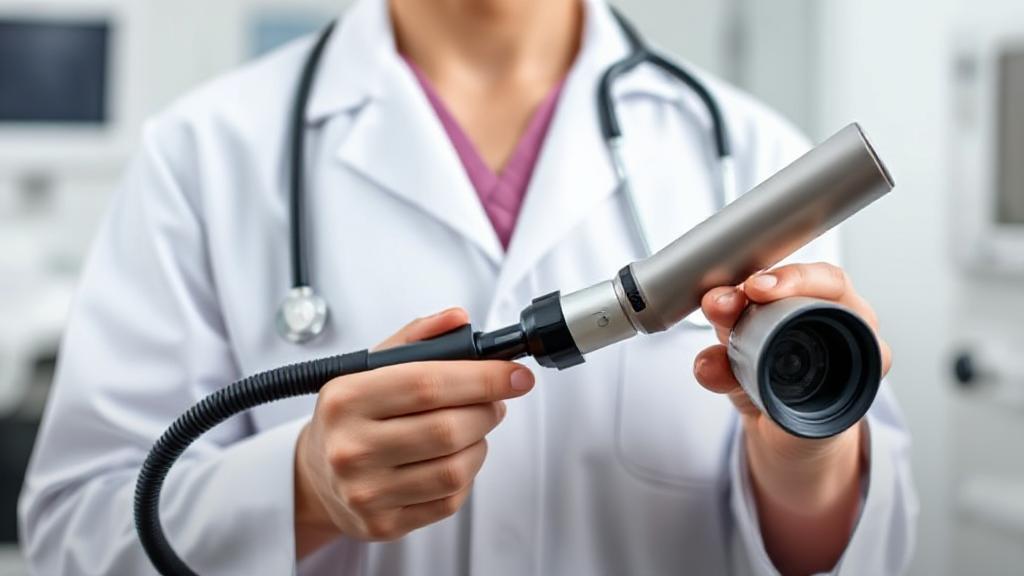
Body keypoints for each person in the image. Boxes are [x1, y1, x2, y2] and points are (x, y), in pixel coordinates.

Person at [18, 0, 917, 574]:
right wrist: (299, 490)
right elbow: (75, 540)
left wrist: (807, 462)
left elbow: (863, 554)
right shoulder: (206, 155)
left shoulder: (753, 156)